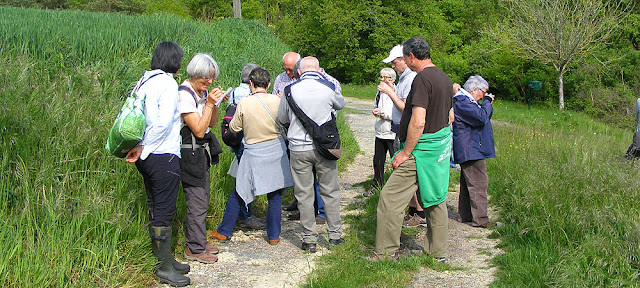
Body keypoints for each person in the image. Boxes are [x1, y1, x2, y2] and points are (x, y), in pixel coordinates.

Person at [374, 37, 453, 262]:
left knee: (389, 199)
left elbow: (418, 121)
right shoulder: (444, 78)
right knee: (435, 199)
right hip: (438, 150)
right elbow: (450, 116)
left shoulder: (422, 80)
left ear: (410, 56)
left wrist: (405, 153)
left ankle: (386, 253)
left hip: (420, 152)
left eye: (404, 58)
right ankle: (438, 253)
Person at [125, 41, 190, 287]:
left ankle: (164, 259)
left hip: (145, 156)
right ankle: (164, 267)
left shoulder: (143, 81)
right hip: (162, 154)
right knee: (164, 210)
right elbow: (162, 124)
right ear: (174, 61)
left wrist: (139, 148)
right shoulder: (168, 83)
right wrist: (146, 146)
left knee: (155, 206)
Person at [210, 67, 293, 245]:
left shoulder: (245, 102)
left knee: (239, 191)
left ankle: (224, 231)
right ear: (269, 84)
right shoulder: (278, 101)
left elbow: (234, 128)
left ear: (251, 84)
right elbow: (287, 122)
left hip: (253, 151)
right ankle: (274, 236)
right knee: (275, 195)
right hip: (276, 150)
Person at [278, 56, 346, 253]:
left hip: (299, 148)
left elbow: (282, 118)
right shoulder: (328, 87)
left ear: (299, 71)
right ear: (319, 70)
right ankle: (334, 236)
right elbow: (340, 104)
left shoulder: (289, 90)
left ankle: (309, 239)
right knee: (330, 191)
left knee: (304, 194)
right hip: (325, 147)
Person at [177, 53, 228, 264]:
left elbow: (211, 124)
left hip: (201, 152)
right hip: (189, 153)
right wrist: (208, 103)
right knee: (197, 199)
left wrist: (215, 104)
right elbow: (198, 130)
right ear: (195, 75)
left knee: (203, 198)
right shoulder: (184, 94)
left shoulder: (201, 92)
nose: (209, 82)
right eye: (206, 78)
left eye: (212, 78)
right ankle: (194, 249)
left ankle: (198, 240)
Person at [374, 45, 426, 228]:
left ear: (405, 59)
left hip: (406, 131)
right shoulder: (405, 77)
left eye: (395, 62)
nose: (393, 66)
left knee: (407, 170)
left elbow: (407, 108)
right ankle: (413, 210)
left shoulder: (412, 78)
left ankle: (419, 213)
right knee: (403, 170)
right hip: (398, 129)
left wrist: (390, 93)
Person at [452, 75, 497, 228]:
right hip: (470, 148)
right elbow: (482, 117)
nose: (484, 96)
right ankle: (481, 219)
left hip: (470, 147)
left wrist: (485, 104)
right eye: (483, 92)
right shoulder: (463, 102)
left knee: (468, 183)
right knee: (479, 183)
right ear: (474, 89)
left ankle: (466, 215)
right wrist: (488, 103)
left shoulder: (465, 101)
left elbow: (483, 116)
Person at [227, 63, 265, 230]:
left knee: (243, 179)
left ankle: (242, 214)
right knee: (247, 181)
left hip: (236, 142)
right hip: (249, 143)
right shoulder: (251, 95)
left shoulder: (234, 92)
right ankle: (245, 215)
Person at [367, 67, 397, 196]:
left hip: (392, 132)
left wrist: (385, 115)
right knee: (378, 161)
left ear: (393, 79)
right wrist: (376, 111)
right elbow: (376, 105)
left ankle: (395, 189)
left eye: (386, 77)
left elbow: (399, 112)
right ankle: (376, 186)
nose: (383, 80)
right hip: (380, 131)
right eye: (381, 77)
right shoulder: (379, 92)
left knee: (395, 160)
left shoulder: (397, 92)